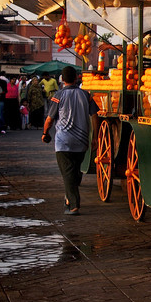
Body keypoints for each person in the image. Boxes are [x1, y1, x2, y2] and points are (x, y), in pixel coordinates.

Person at [42, 66, 98, 215]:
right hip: (81, 142)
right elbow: (95, 115)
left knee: (67, 173)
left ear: (62, 79)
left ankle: (74, 205)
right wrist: (95, 137)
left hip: (63, 142)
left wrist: (45, 133)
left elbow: (49, 119)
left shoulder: (58, 96)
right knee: (74, 171)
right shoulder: (86, 95)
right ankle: (69, 197)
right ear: (76, 78)